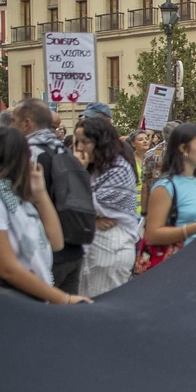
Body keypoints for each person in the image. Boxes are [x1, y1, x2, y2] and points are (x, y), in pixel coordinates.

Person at [0, 126, 86, 304]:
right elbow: (7, 269)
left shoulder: (12, 194)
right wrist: (63, 299)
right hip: (1, 298)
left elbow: (56, 243)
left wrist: (40, 194)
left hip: (22, 296)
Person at [13, 98, 94, 295]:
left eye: (13, 121)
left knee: (40, 318)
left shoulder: (29, 154)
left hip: (45, 253)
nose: (11, 126)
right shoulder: (65, 152)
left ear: (26, 123)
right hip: (75, 248)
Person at [74, 114, 139, 298]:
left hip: (111, 249)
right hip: (90, 246)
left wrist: (78, 175)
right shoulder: (91, 169)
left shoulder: (119, 169)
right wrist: (92, 221)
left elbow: (85, 204)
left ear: (100, 142)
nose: (79, 148)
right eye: (77, 142)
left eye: (85, 142)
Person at [143, 123, 196, 252]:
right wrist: (195, 228)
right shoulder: (165, 187)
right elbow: (152, 236)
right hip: (178, 262)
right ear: (183, 148)